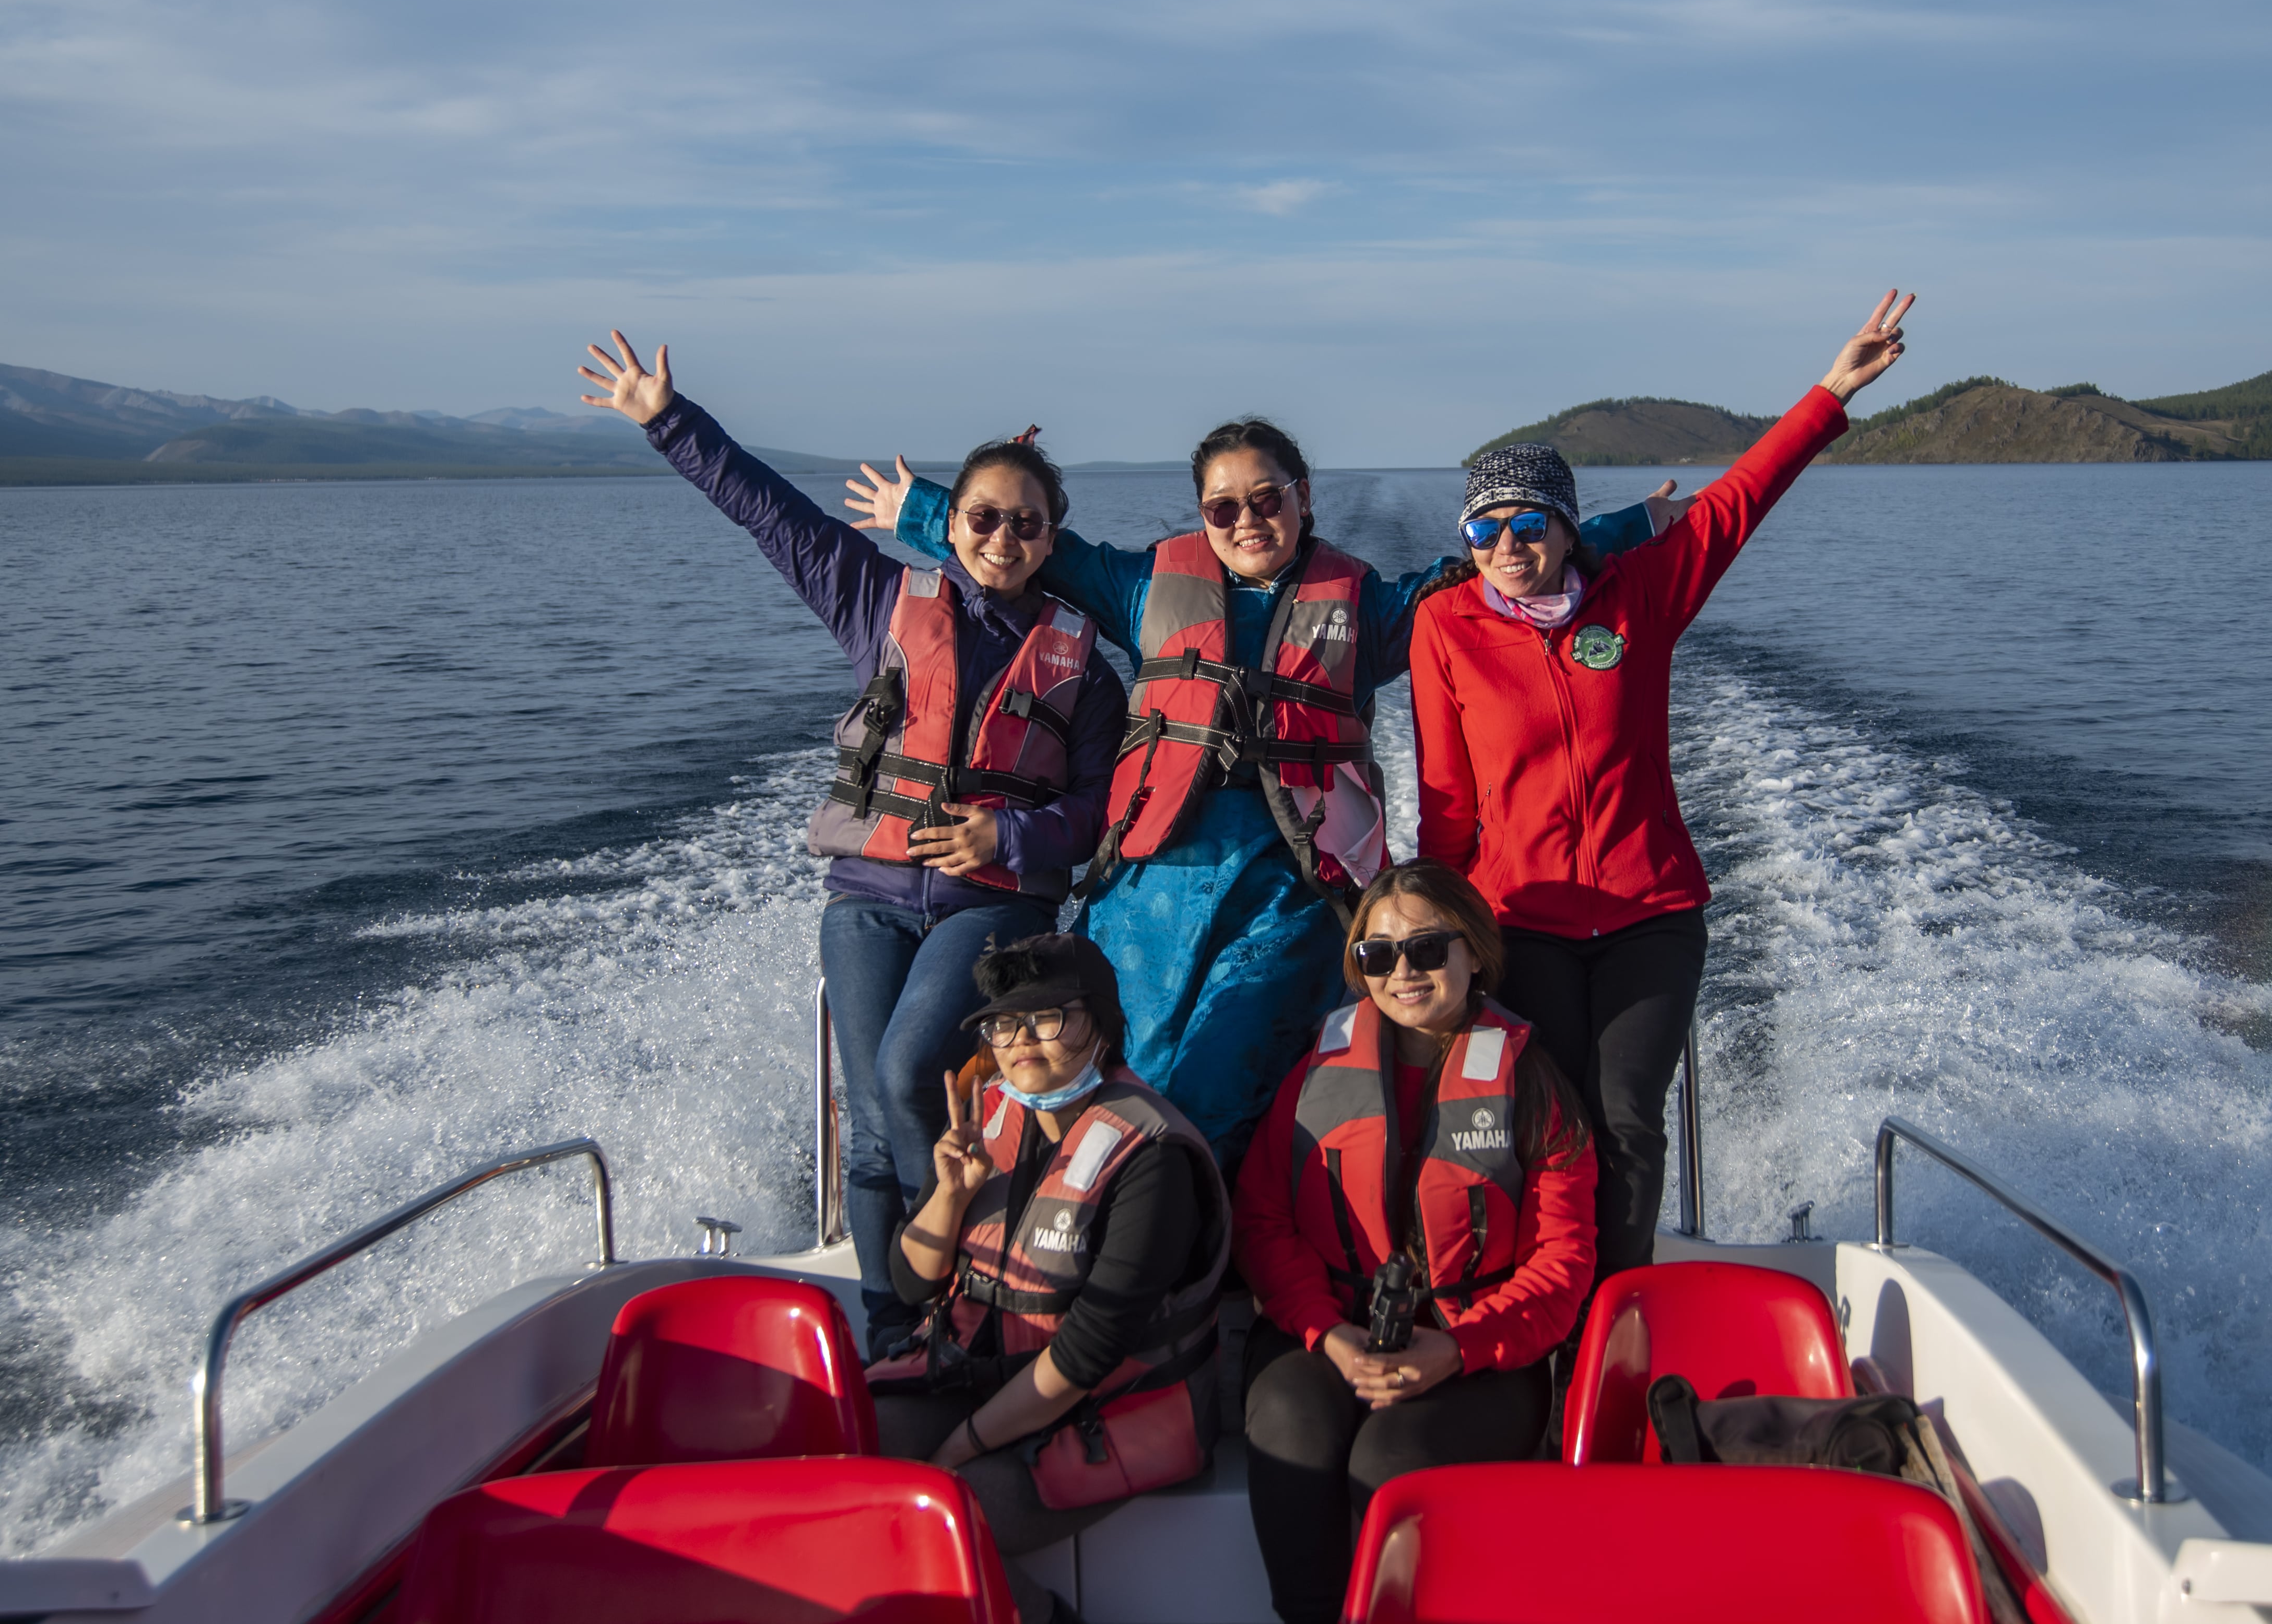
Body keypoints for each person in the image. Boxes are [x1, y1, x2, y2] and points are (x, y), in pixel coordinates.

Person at [843, 421, 1669, 1169]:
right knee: (1113, 1067)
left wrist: (1631, 528)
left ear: (1303, 499)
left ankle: (1205, 1263)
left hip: (1292, 882)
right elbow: (1032, 550)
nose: (1247, 520)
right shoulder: (1144, 586)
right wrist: (921, 509)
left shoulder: (1373, 608)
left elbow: (1492, 560)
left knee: (1212, 1084)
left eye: (1267, 498)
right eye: (1222, 506)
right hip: (1149, 879)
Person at [578, 332, 1126, 1350]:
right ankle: (895, 1329)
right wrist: (668, 420)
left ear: (1052, 539)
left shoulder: (1087, 671)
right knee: (872, 1117)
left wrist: (1003, 830)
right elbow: (768, 515)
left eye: (1027, 523)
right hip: (868, 894)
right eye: (983, 517)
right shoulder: (880, 600)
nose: (1002, 537)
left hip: (993, 904)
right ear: (951, 525)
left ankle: (962, 1291)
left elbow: (1097, 812)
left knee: (911, 1066)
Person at [1409, 291, 1915, 1280]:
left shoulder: (1639, 596)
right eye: (1483, 531)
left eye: (1526, 523)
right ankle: (1551, 1308)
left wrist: (1831, 391)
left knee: (1631, 1122)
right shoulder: (1446, 628)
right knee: (1551, 1127)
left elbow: (1737, 503)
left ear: (1564, 527)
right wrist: (1446, 927)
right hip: (1526, 920)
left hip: (1651, 913)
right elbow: (1446, 798)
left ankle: (1613, 1322)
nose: (1506, 546)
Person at [1230, 860, 1595, 1624]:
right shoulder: (1316, 1074)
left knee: (1389, 1460)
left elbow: (1564, 1265)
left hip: (1481, 1352)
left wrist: (1456, 1349)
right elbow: (1264, 1219)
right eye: (1378, 954)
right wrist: (1329, 1334)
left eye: (1428, 949)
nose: (1403, 971)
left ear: (1475, 954)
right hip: (1329, 1330)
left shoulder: (1534, 1087)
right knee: (1291, 1424)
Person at [872, 932, 1230, 1624]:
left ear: (1100, 1021)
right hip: (983, 1379)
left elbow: (1088, 1352)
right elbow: (913, 1286)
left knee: (932, 1521)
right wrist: (949, 1193)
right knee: (835, 1463)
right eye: (1004, 1021)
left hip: (1108, 1414)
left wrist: (959, 1447)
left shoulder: (1153, 1156)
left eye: (1048, 1015)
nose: (1021, 1038)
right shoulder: (990, 1117)